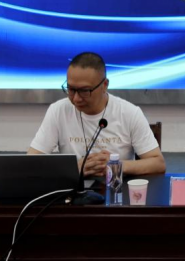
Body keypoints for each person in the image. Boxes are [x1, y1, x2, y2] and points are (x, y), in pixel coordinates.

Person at [28, 52, 166, 177]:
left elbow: (158, 164)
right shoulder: (58, 111)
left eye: (84, 91)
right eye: (71, 89)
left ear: (104, 85)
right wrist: (74, 168)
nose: (76, 98)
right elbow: (30, 163)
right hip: (74, 190)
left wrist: (116, 165)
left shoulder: (129, 113)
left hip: (116, 190)